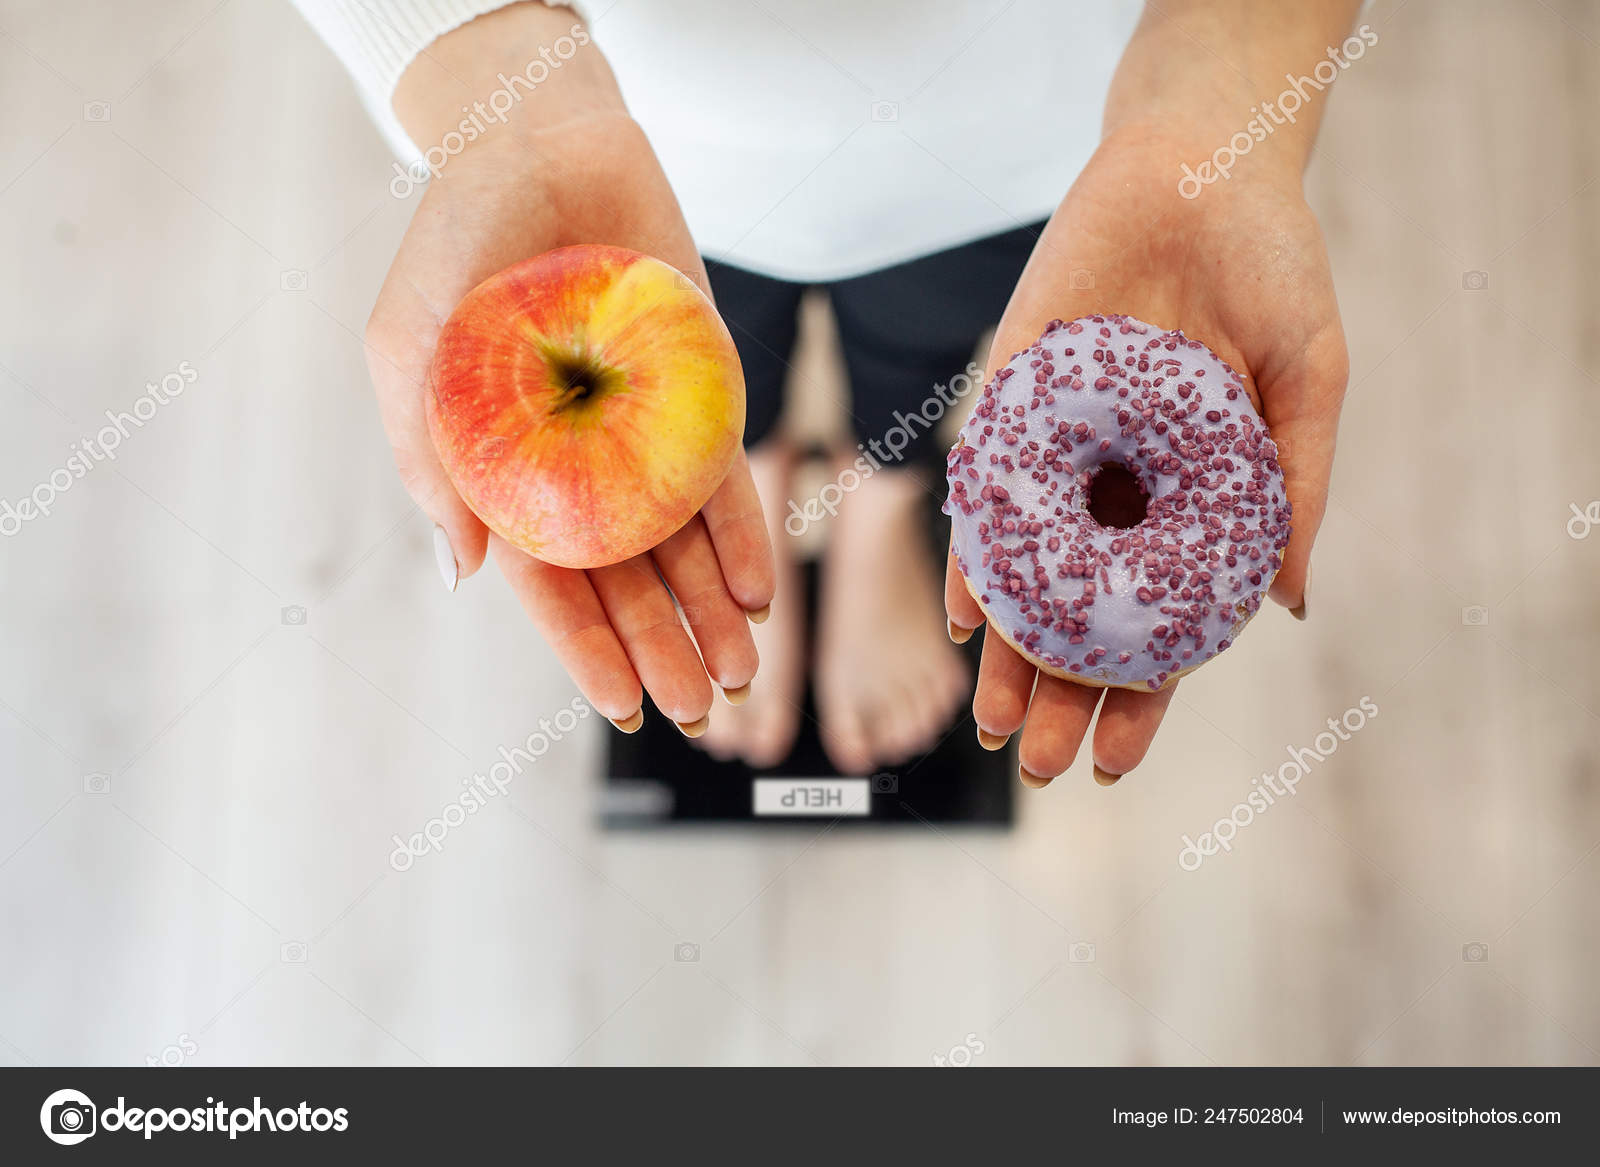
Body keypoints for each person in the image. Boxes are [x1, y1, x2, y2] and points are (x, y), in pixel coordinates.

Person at [293, 0, 1353, 785]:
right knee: (700, 358)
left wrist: (1220, 109)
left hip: (1035, 133)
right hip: (600, 119)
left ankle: (878, 487)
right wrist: (495, 91)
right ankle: (745, 471)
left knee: (928, 337)